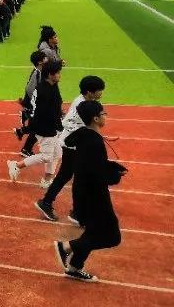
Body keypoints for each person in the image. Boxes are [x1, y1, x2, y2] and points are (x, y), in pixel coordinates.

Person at [53, 100, 124, 282]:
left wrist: (111, 167)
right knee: (112, 236)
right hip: (94, 195)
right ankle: (66, 247)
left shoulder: (83, 135)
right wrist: (114, 175)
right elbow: (95, 172)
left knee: (93, 232)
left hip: (84, 192)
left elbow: (91, 164)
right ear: (95, 118)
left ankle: (75, 267)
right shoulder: (93, 141)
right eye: (103, 113)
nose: (105, 115)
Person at [35, 76, 105, 223]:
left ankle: (50, 203)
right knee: (76, 177)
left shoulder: (86, 101)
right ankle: (74, 212)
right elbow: (69, 123)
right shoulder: (82, 105)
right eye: (99, 90)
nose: (101, 93)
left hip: (74, 144)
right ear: (90, 92)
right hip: (72, 145)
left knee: (67, 175)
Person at [8, 60, 64, 188]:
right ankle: (16, 165)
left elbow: (55, 106)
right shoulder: (44, 91)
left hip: (49, 126)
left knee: (57, 154)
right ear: (50, 74)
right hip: (45, 128)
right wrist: (29, 129)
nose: (59, 75)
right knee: (47, 156)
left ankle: (47, 179)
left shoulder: (51, 85)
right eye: (58, 73)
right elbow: (40, 114)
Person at [15, 51, 47, 157]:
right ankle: (25, 149)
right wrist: (36, 102)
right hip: (35, 106)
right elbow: (29, 89)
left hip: (35, 105)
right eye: (45, 58)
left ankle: (21, 132)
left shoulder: (41, 71)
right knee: (38, 128)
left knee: (36, 127)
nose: (47, 59)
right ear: (40, 62)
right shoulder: (37, 73)